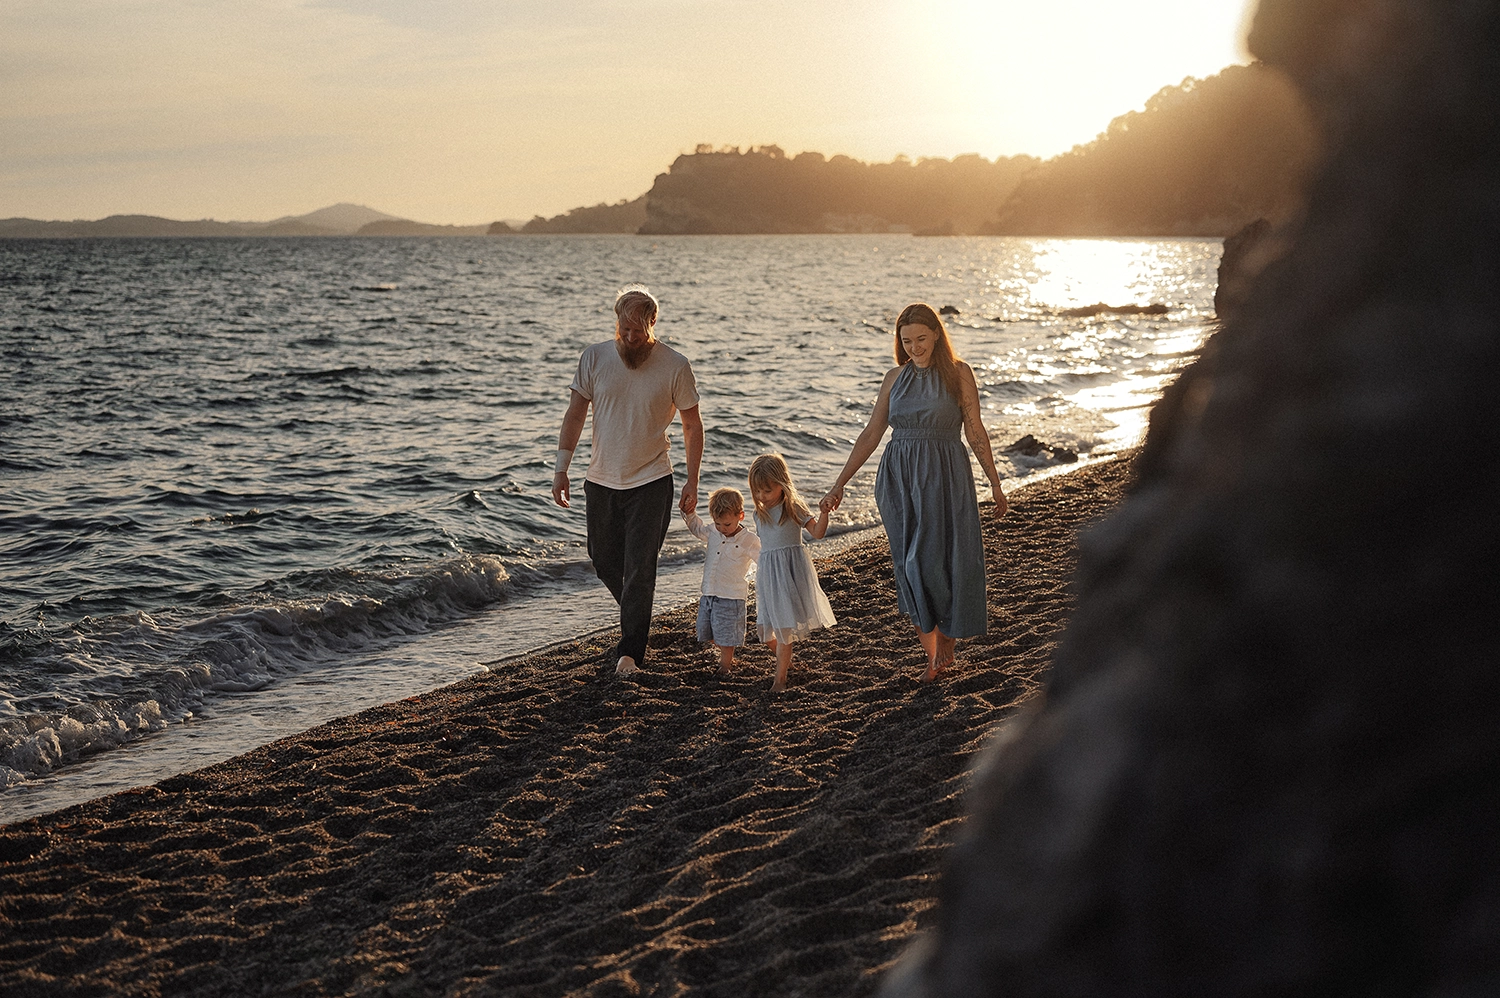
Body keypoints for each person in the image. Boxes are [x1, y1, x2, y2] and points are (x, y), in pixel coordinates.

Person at [822, 302, 1007, 682]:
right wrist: (839, 483)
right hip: (899, 479)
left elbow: (974, 430)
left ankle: (949, 636)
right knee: (910, 564)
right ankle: (933, 654)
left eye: (921, 339)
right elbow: (872, 433)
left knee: (944, 560)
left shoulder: (959, 374)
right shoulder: (894, 378)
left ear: (938, 334)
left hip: (945, 475)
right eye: (906, 341)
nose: (914, 347)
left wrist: (995, 482)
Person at [552, 285, 703, 676]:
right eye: (624, 329)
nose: (630, 338)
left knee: (640, 568)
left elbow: (692, 425)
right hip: (601, 479)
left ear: (652, 324)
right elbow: (574, 414)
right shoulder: (594, 357)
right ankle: (636, 616)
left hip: (653, 480)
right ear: (616, 323)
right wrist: (561, 468)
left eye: (638, 331)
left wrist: (692, 481)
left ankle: (631, 653)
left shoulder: (675, 365)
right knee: (603, 560)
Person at [748, 453, 836, 692]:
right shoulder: (759, 513)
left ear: (782, 483)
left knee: (784, 629)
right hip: (768, 575)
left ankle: (780, 680)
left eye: (767, 490)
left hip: (790, 572)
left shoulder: (793, 508)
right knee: (765, 633)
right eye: (757, 491)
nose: (761, 496)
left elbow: (817, 533)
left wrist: (825, 513)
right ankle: (786, 660)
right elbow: (762, 546)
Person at [681, 487, 761, 675]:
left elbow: (764, 561)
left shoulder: (749, 540)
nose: (722, 529)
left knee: (726, 637)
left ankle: (725, 666)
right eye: (718, 524)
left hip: (731, 597)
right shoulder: (713, 532)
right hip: (708, 593)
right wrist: (689, 512)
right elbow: (697, 529)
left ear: (740, 516)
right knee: (704, 631)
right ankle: (727, 652)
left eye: (727, 524)